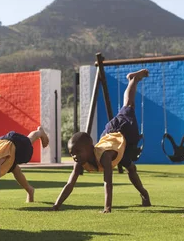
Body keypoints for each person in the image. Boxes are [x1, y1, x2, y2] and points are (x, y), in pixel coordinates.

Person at [52, 69, 151, 213]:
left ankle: (133, 80)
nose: (75, 156)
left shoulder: (105, 157)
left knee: (128, 106)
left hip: (123, 133)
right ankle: (132, 79)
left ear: (90, 148)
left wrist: (107, 208)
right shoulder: (79, 162)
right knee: (129, 165)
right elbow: (69, 184)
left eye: (78, 152)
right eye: (72, 153)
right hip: (109, 136)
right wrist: (56, 205)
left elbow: (108, 183)